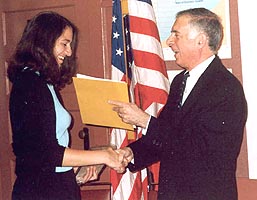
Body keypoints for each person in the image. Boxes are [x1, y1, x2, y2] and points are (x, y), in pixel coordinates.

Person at [109, 7, 248, 200]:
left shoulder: (226, 89)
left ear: (200, 40)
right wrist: (130, 153)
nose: (169, 42)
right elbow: (167, 136)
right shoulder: (179, 82)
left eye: (176, 35)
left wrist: (145, 121)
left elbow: (199, 149)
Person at [8, 11, 127, 200]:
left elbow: (50, 149)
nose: (69, 52)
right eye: (64, 44)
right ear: (44, 42)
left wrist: (80, 164)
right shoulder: (29, 84)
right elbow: (47, 153)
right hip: (41, 192)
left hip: (56, 186)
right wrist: (105, 156)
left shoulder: (43, 82)